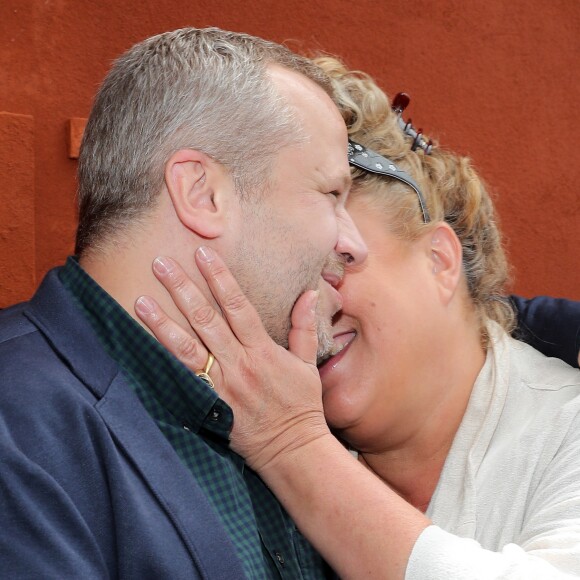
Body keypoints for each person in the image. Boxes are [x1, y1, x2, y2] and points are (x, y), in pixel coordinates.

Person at [138, 57, 580, 579]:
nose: (309, 305)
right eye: (287, 272)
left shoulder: (563, 430)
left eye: (337, 261)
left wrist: (291, 445)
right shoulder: (230, 443)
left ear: (439, 260)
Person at [0, 29, 368, 578]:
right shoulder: (20, 431)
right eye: (330, 195)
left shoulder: (275, 409)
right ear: (202, 193)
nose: (353, 244)